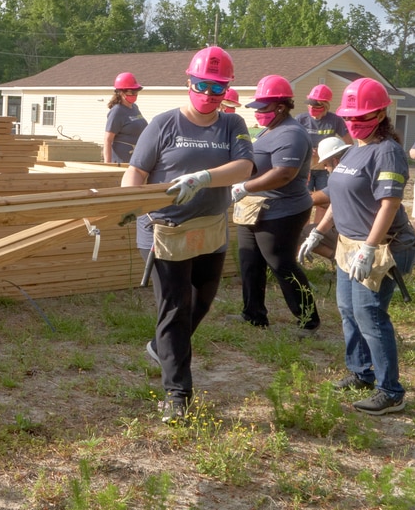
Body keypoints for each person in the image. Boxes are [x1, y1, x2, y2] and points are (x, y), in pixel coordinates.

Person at [121, 46, 253, 423]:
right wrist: (134, 204)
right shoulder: (163, 124)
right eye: (201, 85)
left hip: (210, 229)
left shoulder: (232, 125)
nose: (208, 94)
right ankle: (177, 394)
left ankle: (161, 345)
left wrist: (205, 178)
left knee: (203, 299)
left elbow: (244, 166)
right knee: (175, 309)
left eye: (216, 87)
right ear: (188, 81)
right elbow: (135, 172)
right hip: (165, 230)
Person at [298, 78, 415, 415]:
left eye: (361, 118)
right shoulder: (354, 150)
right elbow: (339, 197)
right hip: (347, 244)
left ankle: (391, 390)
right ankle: (361, 372)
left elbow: (389, 205)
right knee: (348, 311)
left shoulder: (388, 153)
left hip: (382, 246)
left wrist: (368, 247)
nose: (354, 124)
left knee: (370, 316)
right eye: (349, 118)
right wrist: (319, 232)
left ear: (380, 114)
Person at [231, 75, 320, 333]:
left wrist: (245, 186)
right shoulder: (269, 130)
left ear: (280, 107)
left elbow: (284, 173)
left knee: (281, 263)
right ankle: (253, 315)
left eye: (263, 108)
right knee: (249, 261)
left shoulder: (291, 133)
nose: (258, 113)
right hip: (254, 207)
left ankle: (308, 320)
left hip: (283, 209)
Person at [295, 84, 353, 224]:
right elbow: (291, 142)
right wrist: (307, 149)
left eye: (316, 106)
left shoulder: (335, 120)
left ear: (326, 105)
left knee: (324, 203)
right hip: (305, 169)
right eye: (310, 105)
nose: (312, 109)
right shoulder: (300, 120)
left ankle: (317, 232)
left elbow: (349, 143)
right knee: (304, 202)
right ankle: (303, 233)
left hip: (325, 169)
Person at [300, 136, 351, 261]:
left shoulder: (341, 180)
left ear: (335, 161)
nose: (324, 168)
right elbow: (322, 198)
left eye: (326, 164)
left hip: (353, 233)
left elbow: (320, 200)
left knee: (304, 232)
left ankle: (341, 260)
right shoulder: (350, 174)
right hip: (357, 231)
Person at [102, 72, 147, 164]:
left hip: (136, 159)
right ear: (121, 92)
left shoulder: (134, 107)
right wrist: (108, 165)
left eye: (136, 92)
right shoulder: (117, 111)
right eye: (132, 92)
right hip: (121, 162)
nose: (135, 95)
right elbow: (108, 140)